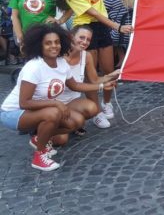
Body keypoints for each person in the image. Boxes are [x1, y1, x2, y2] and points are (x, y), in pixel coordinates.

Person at [0, 23, 116, 171]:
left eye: (56, 42)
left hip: (38, 110)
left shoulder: (61, 63)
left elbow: (75, 86)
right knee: (54, 113)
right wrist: (56, 103)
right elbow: (24, 102)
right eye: (48, 43)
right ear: (39, 46)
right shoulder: (34, 67)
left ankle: (38, 138)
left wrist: (102, 86)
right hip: (12, 113)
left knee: (77, 121)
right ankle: (39, 156)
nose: (54, 46)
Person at [53, 0, 139, 121]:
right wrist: (117, 27)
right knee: (90, 75)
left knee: (110, 71)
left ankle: (107, 103)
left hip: (102, 28)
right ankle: (96, 111)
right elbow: (93, 12)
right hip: (85, 30)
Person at [57, 25, 119, 136]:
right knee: (61, 140)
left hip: (71, 102)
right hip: (54, 102)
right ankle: (42, 128)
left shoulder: (86, 56)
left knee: (92, 108)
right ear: (71, 37)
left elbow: (94, 79)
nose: (85, 42)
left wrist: (113, 75)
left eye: (88, 40)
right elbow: (74, 86)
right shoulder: (58, 55)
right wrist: (102, 86)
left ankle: (70, 121)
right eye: (81, 37)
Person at [103, 0, 134, 68]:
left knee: (102, 32)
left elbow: (99, 11)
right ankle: (122, 59)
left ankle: (105, 64)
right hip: (129, 31)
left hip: (119, 33)